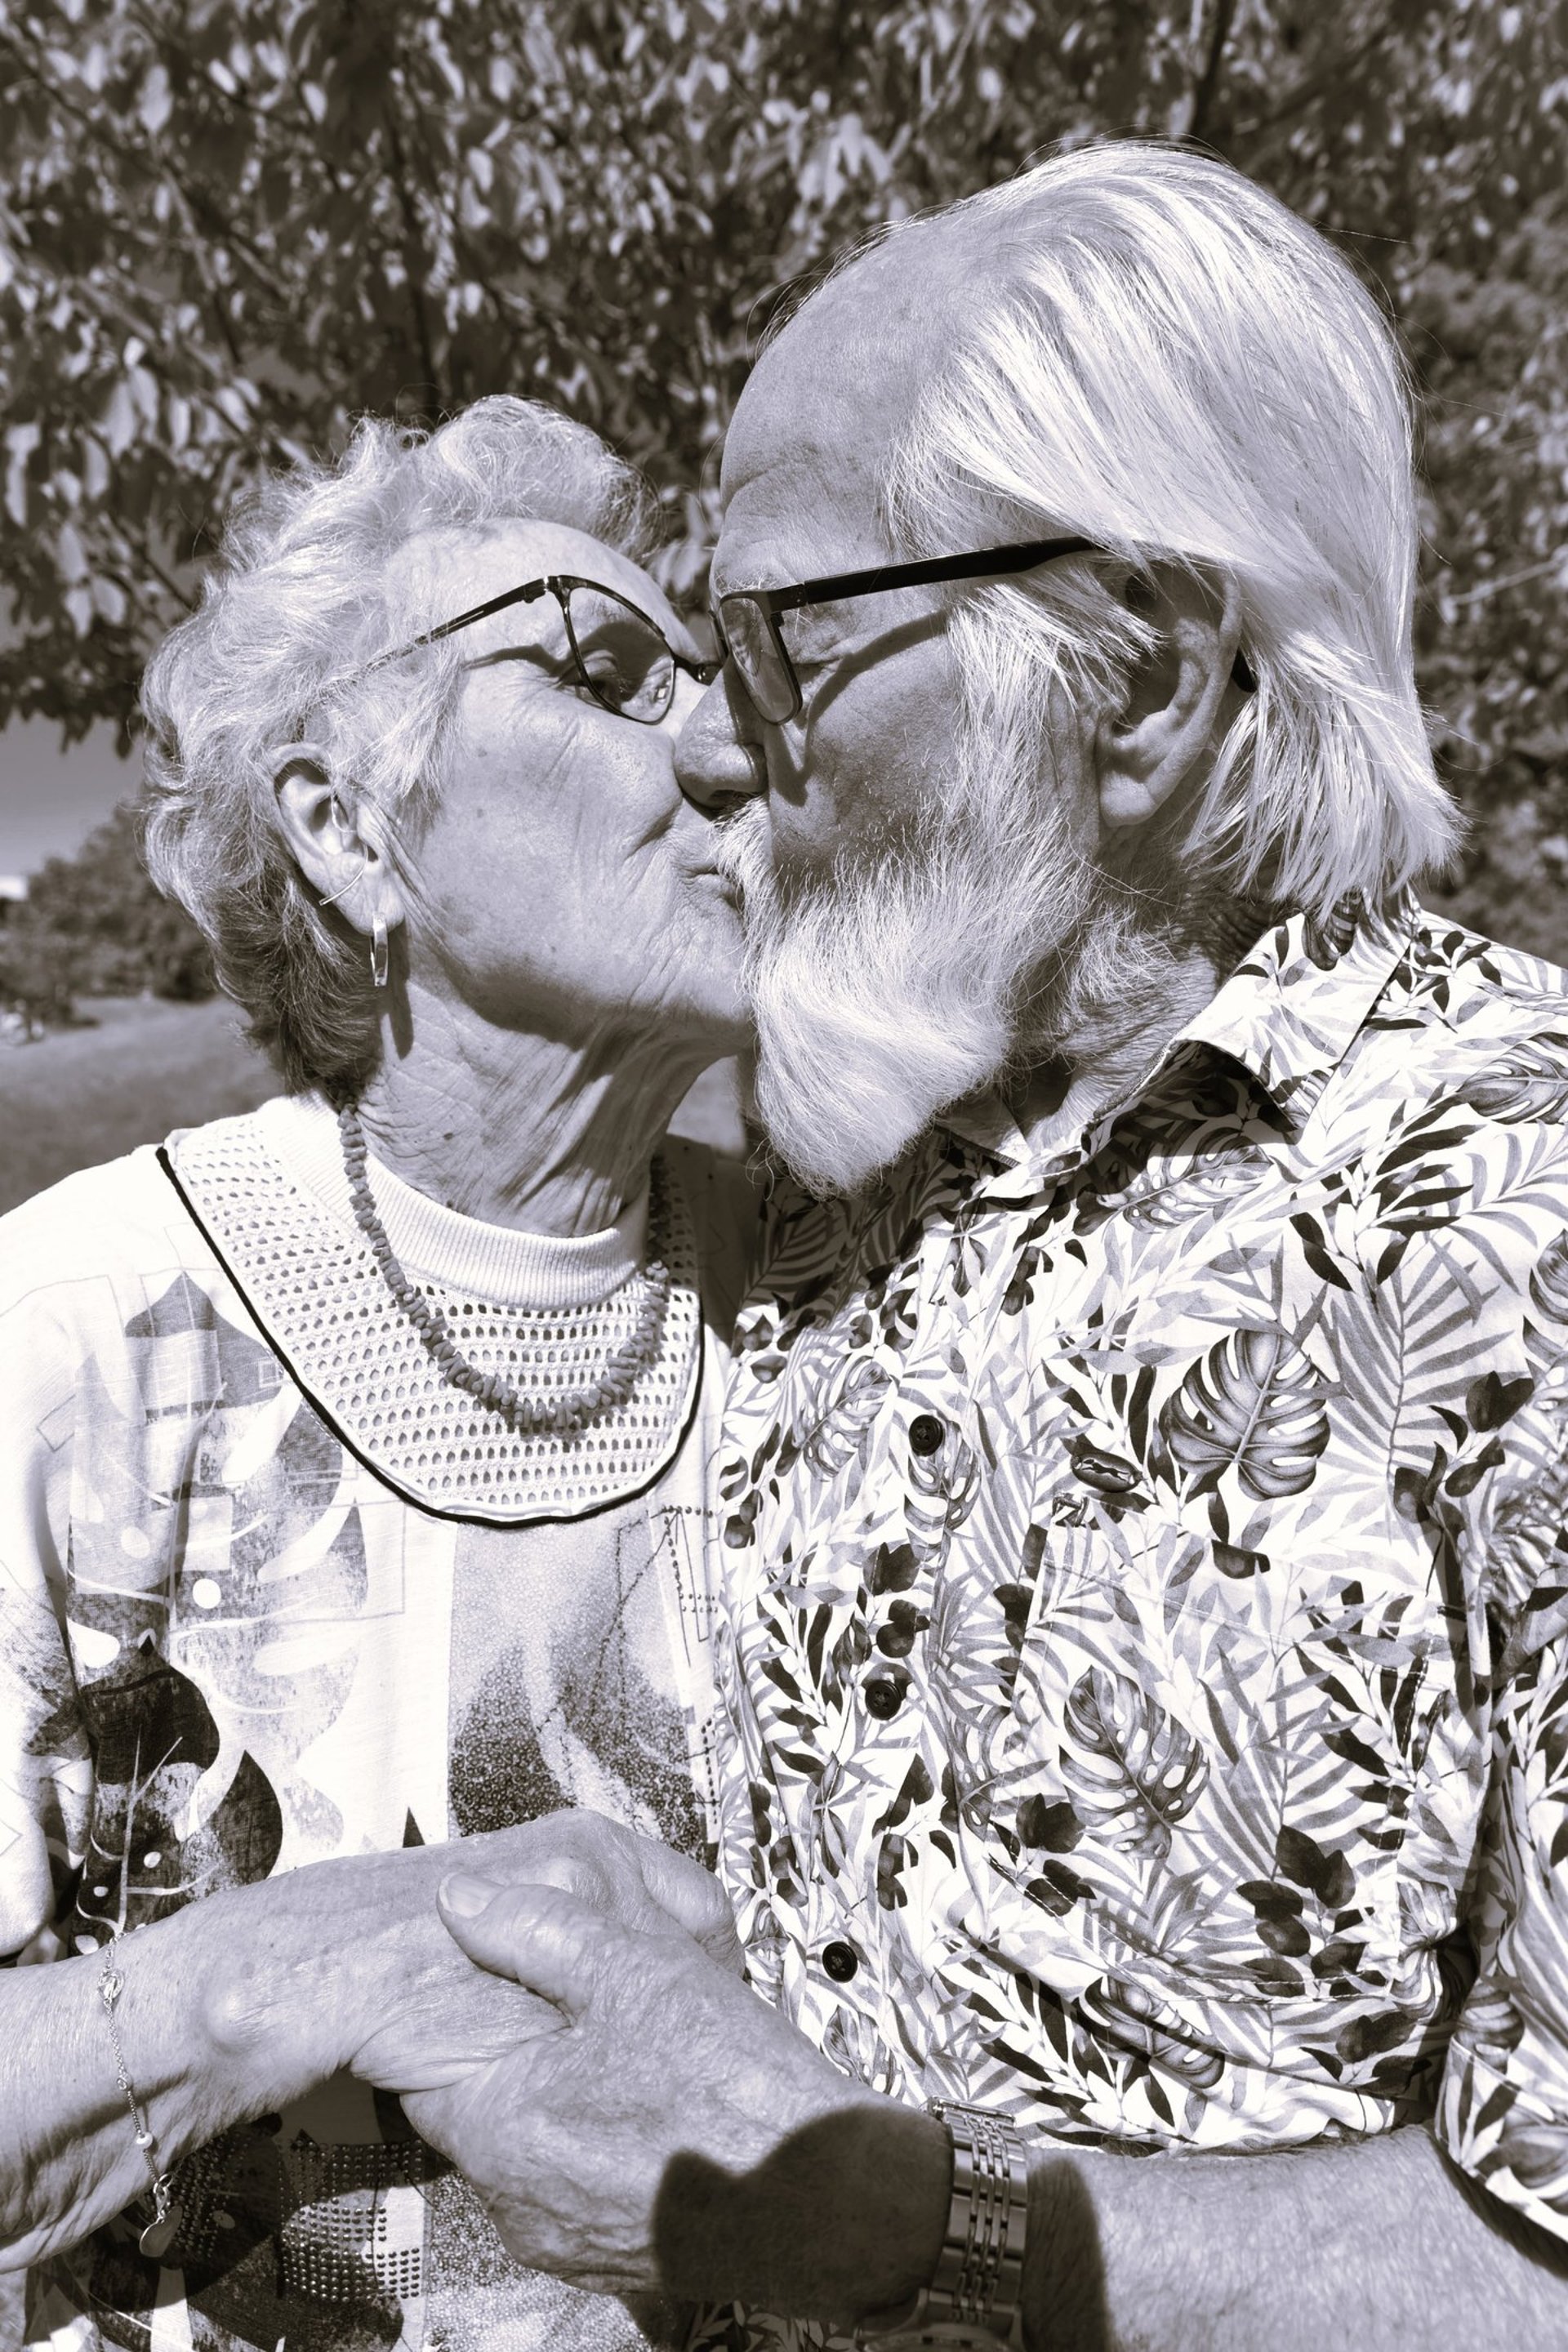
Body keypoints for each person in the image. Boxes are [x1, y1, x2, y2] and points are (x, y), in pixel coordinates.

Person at [385, 147, 1568, 2346]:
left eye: (787, 639)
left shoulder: (1514, 1225)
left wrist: (911, 2234)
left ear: (1140, 675)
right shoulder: (823, 1194)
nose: (717, 745)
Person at [0, 394, 760, 2352]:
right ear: (350, 831)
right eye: (603, 669)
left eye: (718, 678)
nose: (731, 750)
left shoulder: (846, 1301)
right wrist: (314, 1963)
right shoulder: (77, 1333)